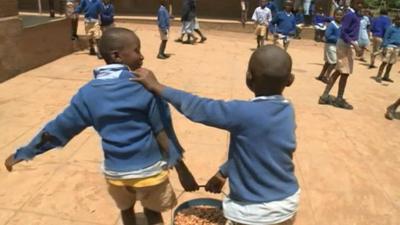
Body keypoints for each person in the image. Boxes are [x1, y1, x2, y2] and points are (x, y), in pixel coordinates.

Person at [4, 28, 199, 225]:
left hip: (116, 174)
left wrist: (24, 152)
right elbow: (162, 132)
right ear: (117, 56)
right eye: (137, 50)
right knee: (153, 215)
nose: (142, 56)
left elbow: (59, 129)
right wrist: (182, 170)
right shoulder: (144, 87)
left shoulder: (87, 94)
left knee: (127, 211)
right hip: (149, 172)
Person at [133, 45, 299, 225]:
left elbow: (199, 107)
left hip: (253, 213)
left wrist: (158, 87)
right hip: (286, 204)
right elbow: (257, 151)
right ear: (290, 80)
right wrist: (223, 173)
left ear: (248, 78)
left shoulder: (242, 112)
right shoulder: (287, 110)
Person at [318, 0, 364, 110]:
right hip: (345, 45)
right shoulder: (350, 15)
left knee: (340, 71)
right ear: (353, 3)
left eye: (361, 3)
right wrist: (354, 44)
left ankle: (325, 96)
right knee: (344, 72)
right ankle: (338, 98)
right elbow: (343, 32)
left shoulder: (356, 16)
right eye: (358, 3)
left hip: (348, 44)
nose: (360, 5)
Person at [316, 9, 343, 83]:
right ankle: (326, 76)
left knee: (328, 62)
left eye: (340, 15)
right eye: (337, 15)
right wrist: (338, 39)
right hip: (330, 45)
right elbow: (327, 35)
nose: (339, 16)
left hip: (337, 46)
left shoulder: (342, 25)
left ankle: (321, 75)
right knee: (333, 62)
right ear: (334, 15)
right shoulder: (332, 24)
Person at [375, 15, 400, 83]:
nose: (399, 21)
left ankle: (386, 76)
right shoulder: (391, 28)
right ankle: (378, 76)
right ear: (395, 20)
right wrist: (384, 47)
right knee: (384, 62)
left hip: (397, 47)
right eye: (398, 20)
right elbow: (386, 37)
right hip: (389, 46)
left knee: (391, 63)